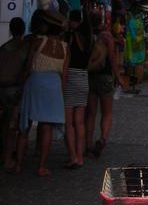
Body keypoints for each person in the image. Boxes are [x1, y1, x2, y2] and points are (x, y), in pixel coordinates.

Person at [15, 9, 69, 176]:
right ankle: (41, 166)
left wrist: (21, 83)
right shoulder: (66, 48)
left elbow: (28, 65)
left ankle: (17, 164)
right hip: (54, 86)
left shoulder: (38, 41)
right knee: (46, 128)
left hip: (35, 82)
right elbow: (64, 75)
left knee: (25, 124)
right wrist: (61, 94)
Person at [85, 12, 122, 159]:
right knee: (107, 113)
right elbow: (112, 59)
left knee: (90, 114)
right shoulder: (106, 36)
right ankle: (102, 139)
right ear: (102, 21)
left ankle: (88, 146)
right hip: (105, 77)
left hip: (90, 75)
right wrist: (118, 77)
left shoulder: (87, 35)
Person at [63, 10, 92, 169]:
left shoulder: (70, 37)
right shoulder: (89, 39)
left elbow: (66, 62)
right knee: (79, 122)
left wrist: (63, 82)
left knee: (69, 123)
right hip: (83, 77)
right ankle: (80, 157)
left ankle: (73, 156)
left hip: (71, 77)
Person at [0, 17, 29, 172]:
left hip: (2, 89)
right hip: (15, 90)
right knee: (13, 126)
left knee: (5, 124)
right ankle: (9, 159)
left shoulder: (4, 47)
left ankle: (5, 155)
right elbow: (26, 70)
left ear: (11, 30)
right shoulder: (25, 48)